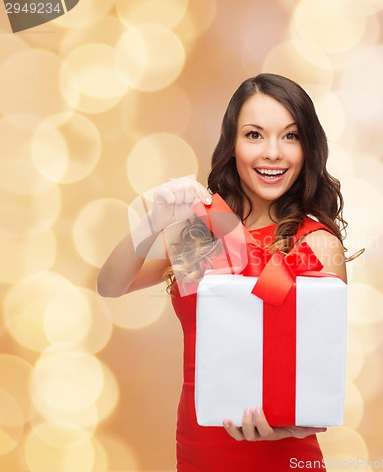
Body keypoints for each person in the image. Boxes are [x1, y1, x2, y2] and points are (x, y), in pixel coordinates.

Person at [98, 73, 349, 472]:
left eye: (290, 136)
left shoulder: (318, 245)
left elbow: (320, 384)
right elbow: (111, 286)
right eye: (254, 135)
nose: (273, 153)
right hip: (199, 452)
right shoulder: (201, 228)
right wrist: (154, 220)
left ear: (307, 148)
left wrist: (289, 430)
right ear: (232, 144)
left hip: (281, 458)